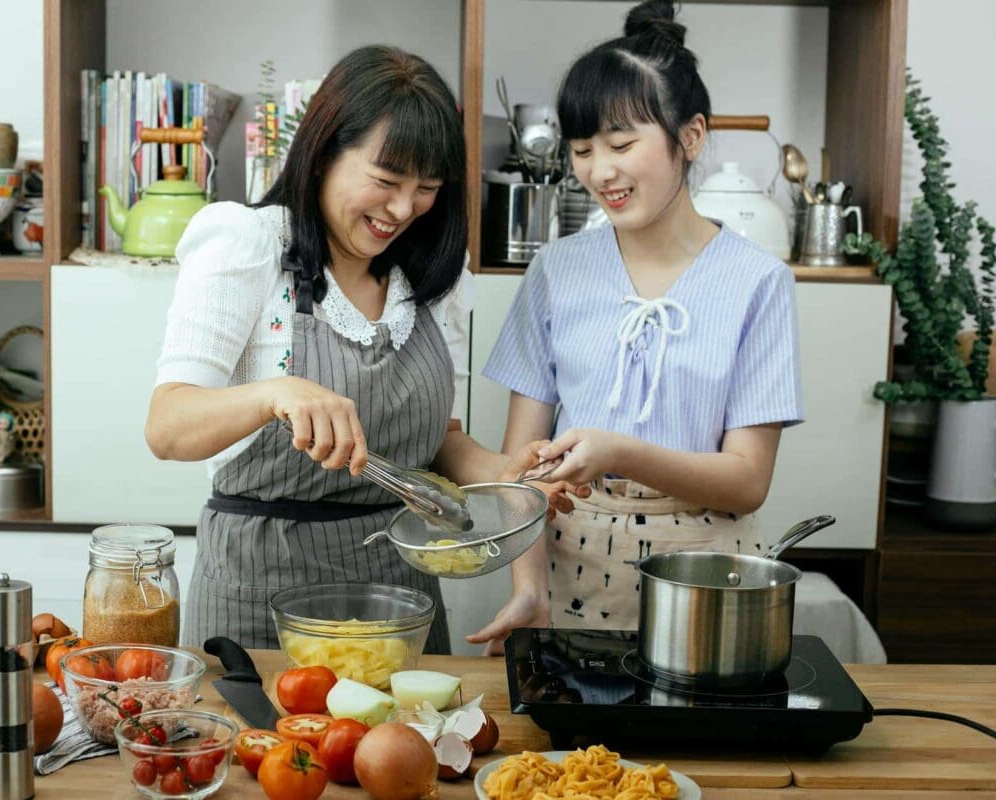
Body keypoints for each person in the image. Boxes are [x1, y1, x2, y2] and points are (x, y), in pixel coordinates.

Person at [146, 45, 576, 652]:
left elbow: (443, 442)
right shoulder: (248, 246)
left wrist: (504, 478)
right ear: (324, 154)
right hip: (258, 599)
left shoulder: (430, 280)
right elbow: (167, 426)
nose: (403, 209)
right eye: (385, 180)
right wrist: (275, 393)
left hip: (400, 600)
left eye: (426, 188)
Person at [468, 0, 803, 652]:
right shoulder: (555, 271)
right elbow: (523, 471)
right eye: (584, 149)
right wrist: (527, 588)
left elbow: (747, 481)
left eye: (622, 144)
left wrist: (620, 450)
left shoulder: (757, 282)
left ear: (692, 136)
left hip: (710, 578)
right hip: (571, 570)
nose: (599, 171)